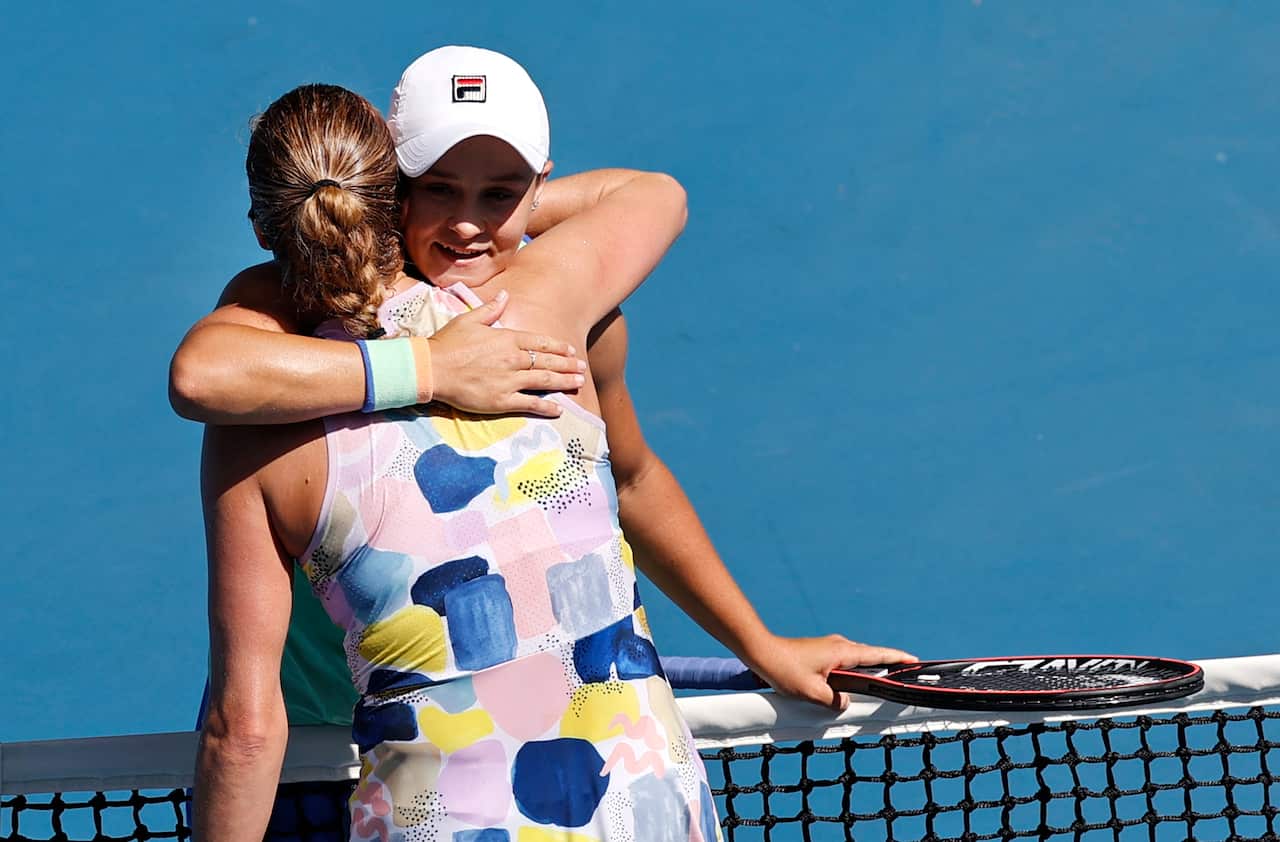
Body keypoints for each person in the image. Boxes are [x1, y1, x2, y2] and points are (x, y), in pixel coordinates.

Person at [191, 48, 914, 842]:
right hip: (647, 811)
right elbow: (651, 196)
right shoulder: (554, 309)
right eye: (439, 190)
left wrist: (759, 644)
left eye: (502, 194)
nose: (470, 222)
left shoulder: (255, 419)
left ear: (266, 225)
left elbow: (245, 733)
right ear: (391, 195)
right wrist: (436, 360)